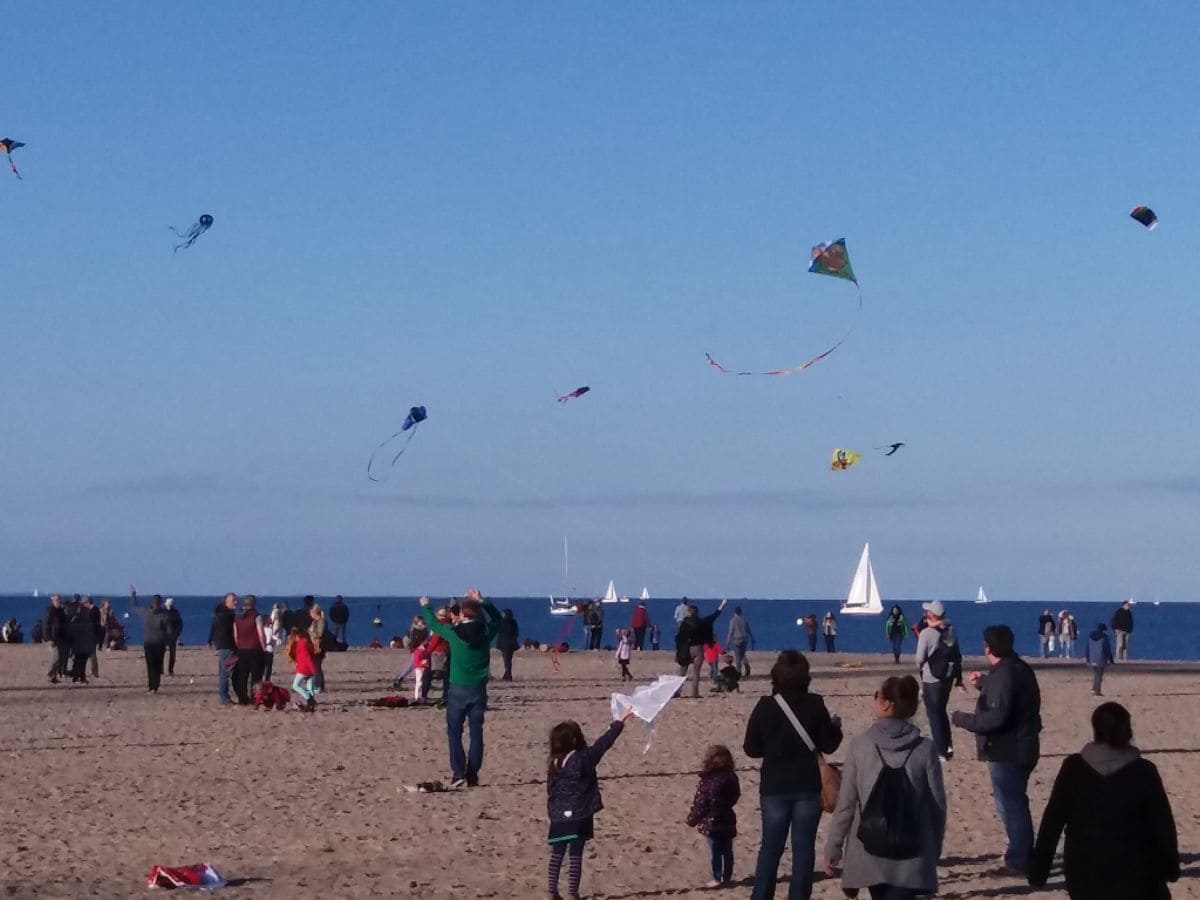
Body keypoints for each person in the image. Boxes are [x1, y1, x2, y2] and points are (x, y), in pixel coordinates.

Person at [1029, 702, 1179, 899]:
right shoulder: (1143, 771)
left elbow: (1053, 819)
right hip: (1135, 868)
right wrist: (1170, 866)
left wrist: (1040, 869)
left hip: (1084, 867)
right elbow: (1162, 824)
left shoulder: (1074, 768)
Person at [824, 675, 946, 900]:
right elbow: (937, 804)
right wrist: (935, 847)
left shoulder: (860, 745)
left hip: (869, 846)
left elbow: (847, 804)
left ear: (885, 703)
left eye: (876, 696)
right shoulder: (925, 749)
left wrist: (834, 846)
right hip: (913, 847)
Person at [744, 650, 843, 900]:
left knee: (770, 849)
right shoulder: (815, 704)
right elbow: (829, 745)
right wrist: (836, 729)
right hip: (807, 784)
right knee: (803, 851)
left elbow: (751, 748)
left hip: (775, 786)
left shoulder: (766, 705)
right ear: (805, 676)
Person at [951, 625, 1042, 876]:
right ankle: (1022, 853)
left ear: (989, 647)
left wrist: (960, 719)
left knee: (1011, 805)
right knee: (1013, 803)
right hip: (1023, 746)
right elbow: (1007, 696)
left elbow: (995, 717)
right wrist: (983, 683)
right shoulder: (1018, 668)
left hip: (1009, 750)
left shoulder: (1007, 674)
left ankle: (1019, 859)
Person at [545, 708, 633, 900]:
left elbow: (550, 789)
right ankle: (572, 893)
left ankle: (552, 890)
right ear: (576, 740)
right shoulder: (583, 759)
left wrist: (553, 809)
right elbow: (603, 744)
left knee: (557, 853)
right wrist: (619, 722)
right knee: (576, 855)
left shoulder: (554, 762)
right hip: (580, 813)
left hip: (558, 815)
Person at [420, 589, 502, 788]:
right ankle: (472, 774)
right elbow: (498, 619)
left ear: (463, 614)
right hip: (477, 689)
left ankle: (459, 773)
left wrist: (426, 607)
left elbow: (434, 624)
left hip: (458, 688)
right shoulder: (485, 633)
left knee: (455, 733)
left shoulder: (454, 633)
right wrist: (483, 601)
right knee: (476, 733)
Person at [687, 744, 741, 889]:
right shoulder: (732, 777)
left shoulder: (708, 781)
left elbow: (702, 803)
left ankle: (717, 877)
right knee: (727, 851)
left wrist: (693, 818)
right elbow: (736, 795)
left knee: (715, 851)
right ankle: (727, 876)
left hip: (713, 822)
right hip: (728, 818)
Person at [914, 600, 959, 762]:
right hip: (947, 676)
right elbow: (956, 653)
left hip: (931, 677)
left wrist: (919, 667)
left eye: (927, 612)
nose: (925, 615)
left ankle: (941, 751)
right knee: (941, 711)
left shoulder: (927, 633)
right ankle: (948, 745)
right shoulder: (950, 630)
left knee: (934, 715)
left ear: (932, 615)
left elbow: (919, 658)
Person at [677, 599, 728, 699]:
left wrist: (678, 652)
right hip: (698, 649)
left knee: (682, 673)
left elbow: (679, 638)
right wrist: (722, 605)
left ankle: (677, 692)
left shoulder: (685, 623)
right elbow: (714, 616)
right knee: (696, 673)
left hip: (686, 649)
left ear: (689, 612)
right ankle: (695, 693)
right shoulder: (702, 622)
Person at [130, 589, 172, 693]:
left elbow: (134, 606)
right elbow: (170, 631)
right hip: (155, 643)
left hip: (153, 643)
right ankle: (154, 686)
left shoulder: (154, 614)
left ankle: (153, 687)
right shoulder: (161, 614)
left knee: (153, 665)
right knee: (155, 665)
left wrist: (133, 595)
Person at [231, 595, 267, 705]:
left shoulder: (237, 617)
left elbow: (236, 635)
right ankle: (255, 697)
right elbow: (261, 634)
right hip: (255, 649)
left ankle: (243, 698)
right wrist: (264, 648)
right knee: (256, 676)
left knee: (243, 675)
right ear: (254, 604)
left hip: (242, 649)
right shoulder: (256, 616)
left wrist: (239, 646)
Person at [208, 593, 238, 705]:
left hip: (221, 645)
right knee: (226, 672)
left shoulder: (220, 613)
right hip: (226, 645)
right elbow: (229, 632)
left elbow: (213, 626)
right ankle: (224, 697)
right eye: (233, 600)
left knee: (223, 671)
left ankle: (224, 696)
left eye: (236, 600)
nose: (235, 602)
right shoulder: (226, 615)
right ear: (226, 602)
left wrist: (210, 640)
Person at [286, 626, 318, 711]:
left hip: (304, 669)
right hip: (307, 668)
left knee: (295, 685)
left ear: (297, 636)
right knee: (309, 687)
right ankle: (311, 705)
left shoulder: (302, 644)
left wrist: (313, 669)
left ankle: (309, 700)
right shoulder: (306, 642)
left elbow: (307, 657)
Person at [68, 598, 98, 684]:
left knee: (77, 660)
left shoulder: (76, 619)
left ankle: (76, 676)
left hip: (77, 643)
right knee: (82, 662)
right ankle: (81, 677)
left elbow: (71, 631)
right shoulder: (87, 621)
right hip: (83, 644)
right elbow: (90, 632)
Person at [44, 594, 68, 684]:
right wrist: (48, 638)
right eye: (56, 600)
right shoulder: (50, 611)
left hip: (60, 638)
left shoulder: (61, 611)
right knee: (56, 657)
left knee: (60, 659)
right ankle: (49, 675)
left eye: (59, 600)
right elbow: (46, 625)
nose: (58, 602)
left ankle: (53, 677)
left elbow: (64, 624)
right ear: (52, 600)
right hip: (52, 638)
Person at [1085, 622, 1114, 697]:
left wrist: (1088, 659)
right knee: (1099, 675)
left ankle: (1094, 689)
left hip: (1092, 658)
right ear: (1103, 630)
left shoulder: (1090, 637)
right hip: (1100, 659)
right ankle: (1097, 691)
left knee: (1096, 674)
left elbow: (1087, 648)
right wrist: (1111, 660)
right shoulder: (1104, 638)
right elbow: (1107, 650)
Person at [726, 606, 755, 677]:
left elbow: (731, 631)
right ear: (740, 612)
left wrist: (728, 642)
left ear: (734, 612)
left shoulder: (733, 620)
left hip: (737, 640)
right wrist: (752, 639)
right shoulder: (744, 620)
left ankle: (738, 672)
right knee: (742, 654)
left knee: (738, 656)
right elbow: (749, 630)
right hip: (745, 640)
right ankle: (746, 665)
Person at [496, 608, 519, 681]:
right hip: (511, 643)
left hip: (504, 643)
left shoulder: (501, 622)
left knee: (506, 659)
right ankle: (507, 674)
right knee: (508, 659)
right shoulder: (513, 622)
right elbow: (516, 633)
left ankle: (508, 674)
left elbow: (499, 632)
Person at [308, 604, 328, 693]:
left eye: (311, 612)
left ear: (314, 612)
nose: (310, 614)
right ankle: (320, 685)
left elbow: (320, 634)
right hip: (314, 645)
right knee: (316, 666)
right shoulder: (314, 622)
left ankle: (319, 686)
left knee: (316, 666)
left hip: (319, 646)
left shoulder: (321, 621)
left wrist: (311, 633)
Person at [164, 598, 183, 676]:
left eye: (170, 605)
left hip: (172, 636)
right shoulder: (162, 612)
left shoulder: (176, 613)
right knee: (161, 653)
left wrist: (177, 634)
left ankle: (170, 670)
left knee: (172, 654)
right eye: (168, 605)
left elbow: (179, 625)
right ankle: (160, 670)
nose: (169, 606)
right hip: (163, 636)